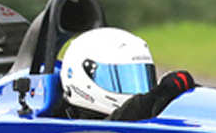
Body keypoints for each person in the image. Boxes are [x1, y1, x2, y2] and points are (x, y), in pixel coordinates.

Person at [59, 27, 196, 121]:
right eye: (119, 78)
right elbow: (113, 126)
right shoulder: (70, 130)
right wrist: (161, 92)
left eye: (138, 75)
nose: (133, 89)